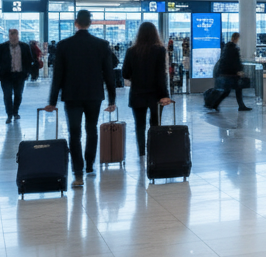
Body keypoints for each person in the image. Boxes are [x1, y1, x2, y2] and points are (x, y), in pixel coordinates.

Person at [45, 10, 118, 187]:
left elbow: (58, 76)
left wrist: (52, 101)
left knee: (75, 132)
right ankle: (90, 166)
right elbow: (110, 74)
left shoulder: (64, 45)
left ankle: (77, 173)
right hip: (94, 95)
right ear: (90, 23)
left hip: (72, 95)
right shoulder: (101, 45)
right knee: (91, 129)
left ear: (76, 23)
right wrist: (112, 99)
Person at [122, 21, 172, 160]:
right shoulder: (160, 50)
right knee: (155, 123)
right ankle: (154, 148)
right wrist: (165, 95)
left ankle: (142, 152)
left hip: (137, 93)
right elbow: (161, 75)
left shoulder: (131, 51)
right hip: (156, 94)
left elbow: (125, 73)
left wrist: (136, 76)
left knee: (139, 125)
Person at [0, 29, 33, 124]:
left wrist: (31, 72)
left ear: (18, 36)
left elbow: (29, 61)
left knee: (18, 95)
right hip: (6, 75)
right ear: (9, 37)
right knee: (7, 95)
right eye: (11, 36)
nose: (13, 38)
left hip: (20, 75)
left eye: (15, 36)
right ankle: (9, 114)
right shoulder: (2, 47)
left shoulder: (24, 47)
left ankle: (15, 112)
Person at [207, 32, 251, 112]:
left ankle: (215, 105)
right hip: (231, 74)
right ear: (237, 38)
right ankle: (215, 104)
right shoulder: (233, 48)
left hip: (227, 73)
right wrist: (238, 71)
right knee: (233, 90)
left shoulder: (227, 47)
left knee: (229, 90)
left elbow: (227, 61)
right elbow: (235, 61)